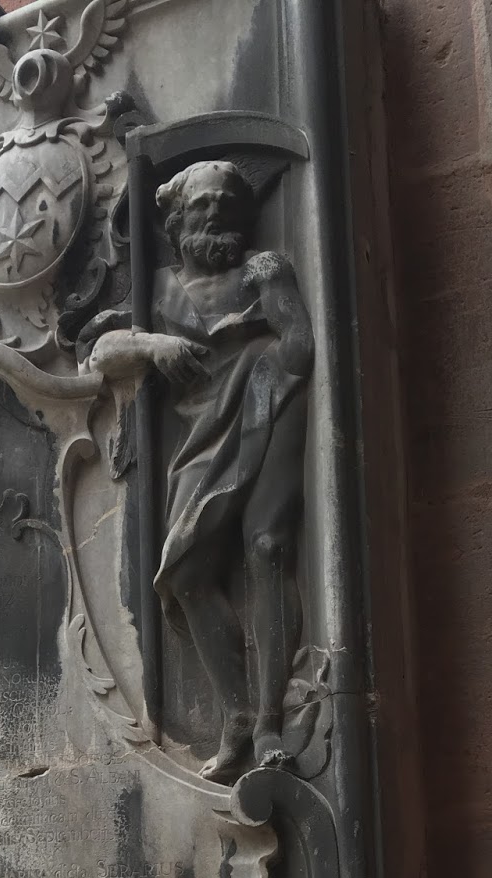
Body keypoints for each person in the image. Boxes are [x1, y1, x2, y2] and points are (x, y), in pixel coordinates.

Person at [90, 159, 314, 779]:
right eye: (202, 205)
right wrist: (152, 343)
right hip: (201, 433)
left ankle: (268, 721)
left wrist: (273, 311)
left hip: (268, 399)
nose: (215, 214)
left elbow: (299, 350)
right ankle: (237, 709)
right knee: (183, 570)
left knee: (267, 547)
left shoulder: (261, 271)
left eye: (226, 204)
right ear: (177, 221)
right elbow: (101, 354)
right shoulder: (160, 292)